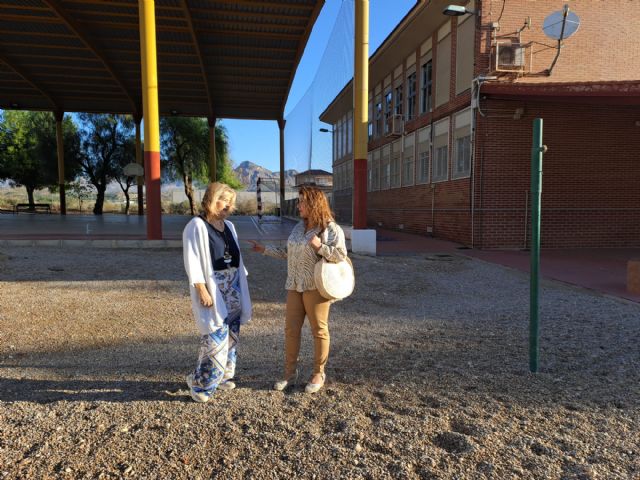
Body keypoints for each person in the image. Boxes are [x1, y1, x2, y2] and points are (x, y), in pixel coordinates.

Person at [248, 186, 347, 394]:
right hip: (294, 285)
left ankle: (318, 373)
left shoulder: (330, 228)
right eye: (299, 201)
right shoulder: (297, 228)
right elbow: (288, 253)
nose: (298, 205)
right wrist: (264, 250)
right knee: (291, 330)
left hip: (316, 287)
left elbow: (340, 256)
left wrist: (320, 247)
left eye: (302, 201)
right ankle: (289, 374)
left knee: (319, 330)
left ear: (314, 204)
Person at [182, 182, 252, 403]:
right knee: (214, 337)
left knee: (231, 336)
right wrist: (201, 289)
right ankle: (202, 386)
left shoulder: (230, 226)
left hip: (233, 287)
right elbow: (192, 260)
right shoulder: (197, 226)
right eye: (224, 200)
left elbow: (236, 257)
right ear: (211, 199)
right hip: (214, 288)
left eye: (231, 202)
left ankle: (221, 376)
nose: (228, 206)